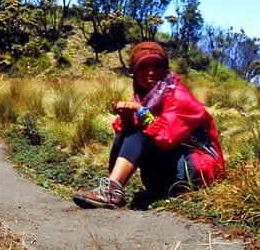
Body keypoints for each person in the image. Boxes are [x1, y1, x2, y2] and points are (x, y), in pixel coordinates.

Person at [73, 41, 225, 209]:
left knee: (139, 134)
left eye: (157, 66)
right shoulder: (147, 97)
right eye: (143, 67)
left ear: (165, 68)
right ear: (135, 72)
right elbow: (133, 133)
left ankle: (110, 192)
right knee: (127, 133)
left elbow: (164, 137)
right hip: (167, 174)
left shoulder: (179, 96)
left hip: (197, 172)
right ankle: (111, 188)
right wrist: (127, 119)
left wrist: (140, 111)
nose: (150, 72)